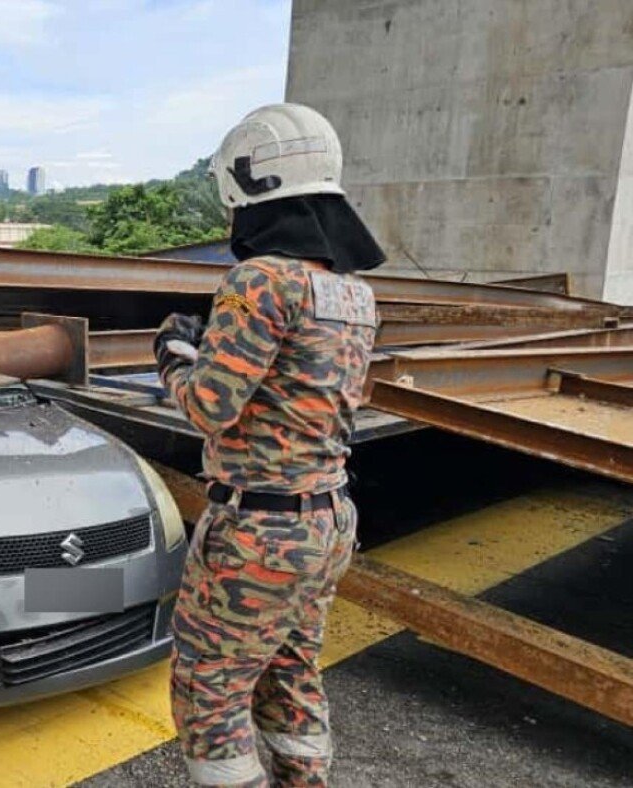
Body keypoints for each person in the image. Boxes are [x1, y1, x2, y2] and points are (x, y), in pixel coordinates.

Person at [155, 103, 384, 787]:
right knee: (291, 672)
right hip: (328, 521)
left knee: (210, 688)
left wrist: (172, 352)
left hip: (259, 530)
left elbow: (209, 405)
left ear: (253, 191)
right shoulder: (353, 294)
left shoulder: (261, 281)